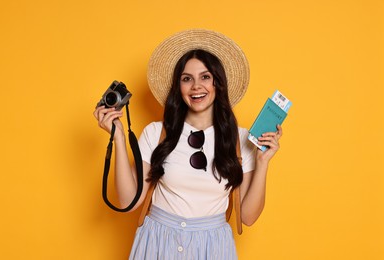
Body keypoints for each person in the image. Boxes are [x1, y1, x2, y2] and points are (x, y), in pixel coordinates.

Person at [93, 29, 282, 260]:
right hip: (157, 243)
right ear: (178, 87)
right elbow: (127, 201)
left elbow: (248, 217)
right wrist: (120, 139)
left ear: (217, 84)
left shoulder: (240, 140)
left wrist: (263, 163)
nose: (196, 86)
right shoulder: (156, 133)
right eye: (186, 79)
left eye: (205, 77)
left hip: (212, 248)